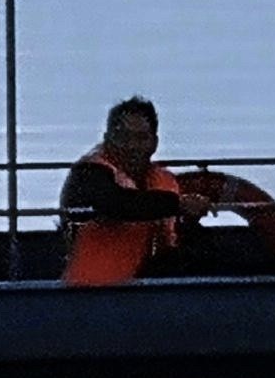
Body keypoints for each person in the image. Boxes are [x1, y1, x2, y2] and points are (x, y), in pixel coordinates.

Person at [59, 96, 214, 285]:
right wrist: (178, 204)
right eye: (124, 137)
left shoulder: (162, 180)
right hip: (91, 292)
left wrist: (190, 217)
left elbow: (172, 241)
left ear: (154, 142)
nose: (132, 146)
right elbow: (116, 204)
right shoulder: (88, 175)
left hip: (145, 288)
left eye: (141, 138)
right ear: (108, 139)